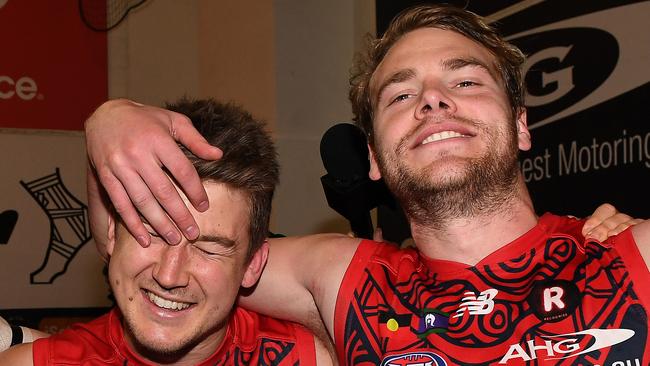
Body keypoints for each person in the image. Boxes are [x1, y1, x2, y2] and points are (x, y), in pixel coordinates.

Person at [82, 4, 649, 366]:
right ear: (374, 156)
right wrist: (108, 122)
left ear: (521, 124)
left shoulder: (635, 256)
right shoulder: (342, 280)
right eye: (401, 95)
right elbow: (143, 249)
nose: (432, 99)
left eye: (466, 80)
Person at [0, 98, 330, 365]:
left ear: (252, 265)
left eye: (208, 249)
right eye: (154, 232)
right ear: (112, 231)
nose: (170, 275)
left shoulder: (310, 359)